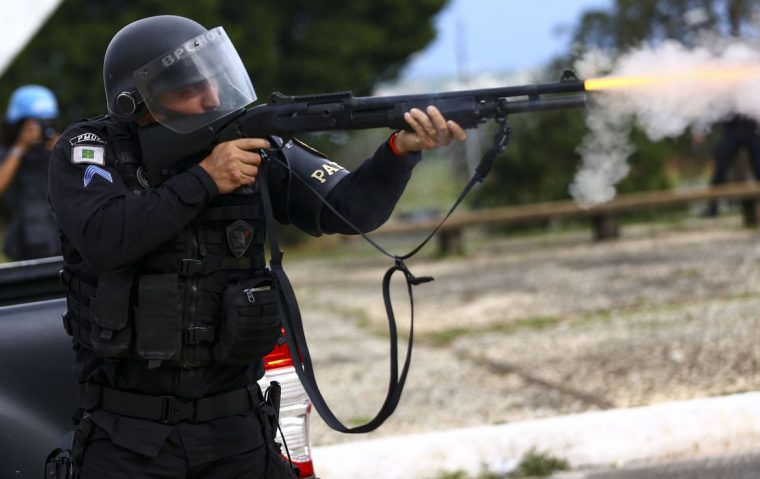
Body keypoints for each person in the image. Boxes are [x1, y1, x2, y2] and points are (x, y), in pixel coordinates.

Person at [47, 15, 466, 479]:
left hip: (237, 436)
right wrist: (205, 179)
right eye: (188, 89)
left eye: (209, 80)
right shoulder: (90, 147)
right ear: (137, 103)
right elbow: (106, 239)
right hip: (126, 442)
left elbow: (353, 209)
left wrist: (399, 153)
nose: (209, 98)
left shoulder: (246, 141)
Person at [0, 84, 61, 260]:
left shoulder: (59, 151)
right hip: (20, 244)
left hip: (59, 240)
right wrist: (20, 147)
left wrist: (64, 151)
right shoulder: (9, 155)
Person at [704, 114, 760, 217]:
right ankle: (712, 206)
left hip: (751, 125)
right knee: (720, 165)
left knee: (759, 166)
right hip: (732, 125)